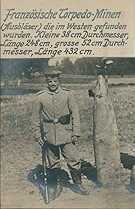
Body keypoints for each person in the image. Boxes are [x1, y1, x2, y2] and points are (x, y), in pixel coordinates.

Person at [31, 68, 89, 198]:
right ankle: (57, 186)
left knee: (73, 159)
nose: (52, 83)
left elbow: (75, 113)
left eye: (55, 81)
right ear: (46, 81)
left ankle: (78, 184)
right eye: (50, 81)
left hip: (67, 134)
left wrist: (76, 131)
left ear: (59, 81)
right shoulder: (40, 97)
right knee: (53, 162)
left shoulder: (68, 94)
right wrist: (37, 135)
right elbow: (35, 118)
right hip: (49, 135)